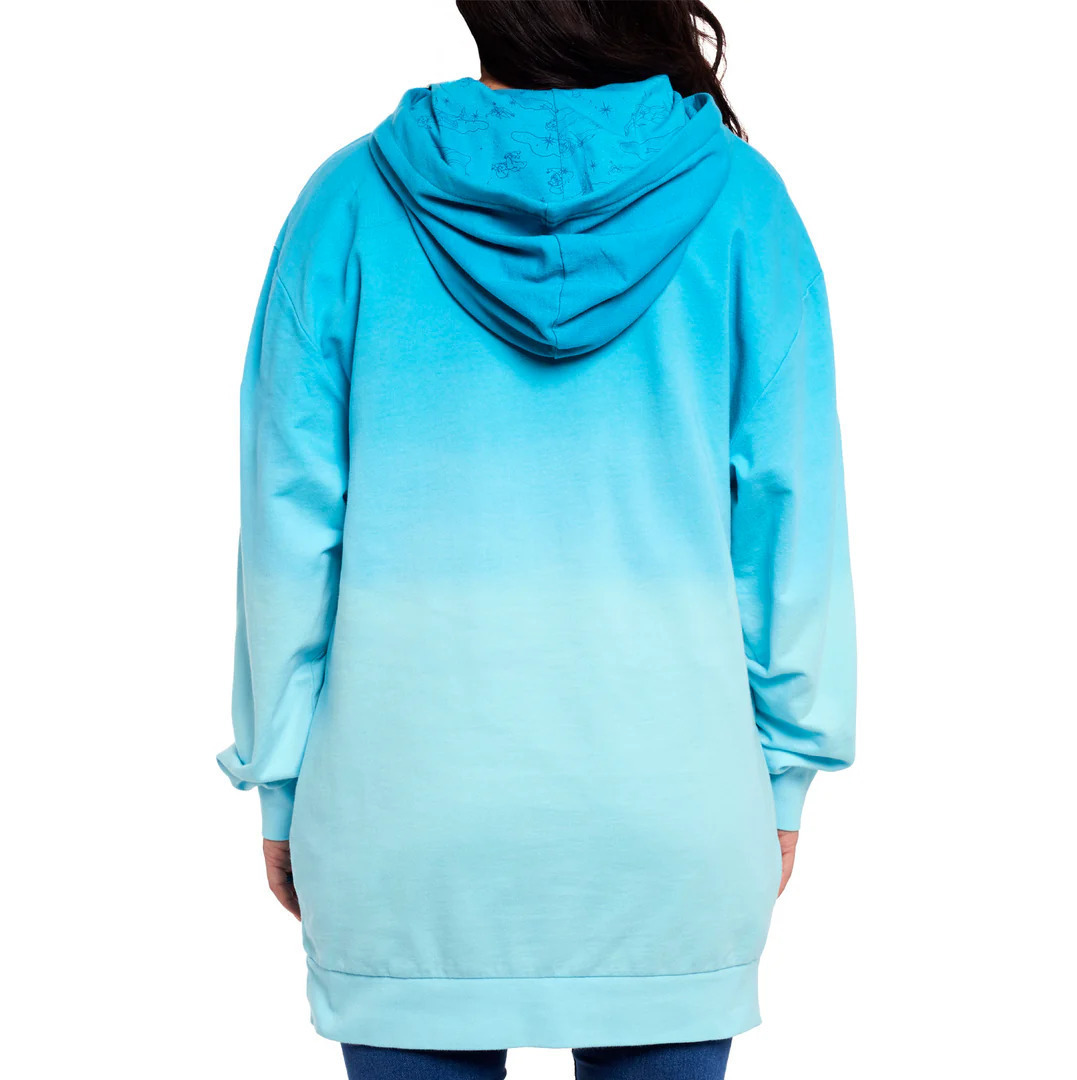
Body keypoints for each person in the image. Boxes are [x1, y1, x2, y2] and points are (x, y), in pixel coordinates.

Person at [217, 2, 856, 1077]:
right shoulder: (743, 205)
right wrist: (787, 772)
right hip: (672, 815)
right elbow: (792, 523)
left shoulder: (347, 206)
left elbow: (286, 530)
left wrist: (279, 779)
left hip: (399, 818)